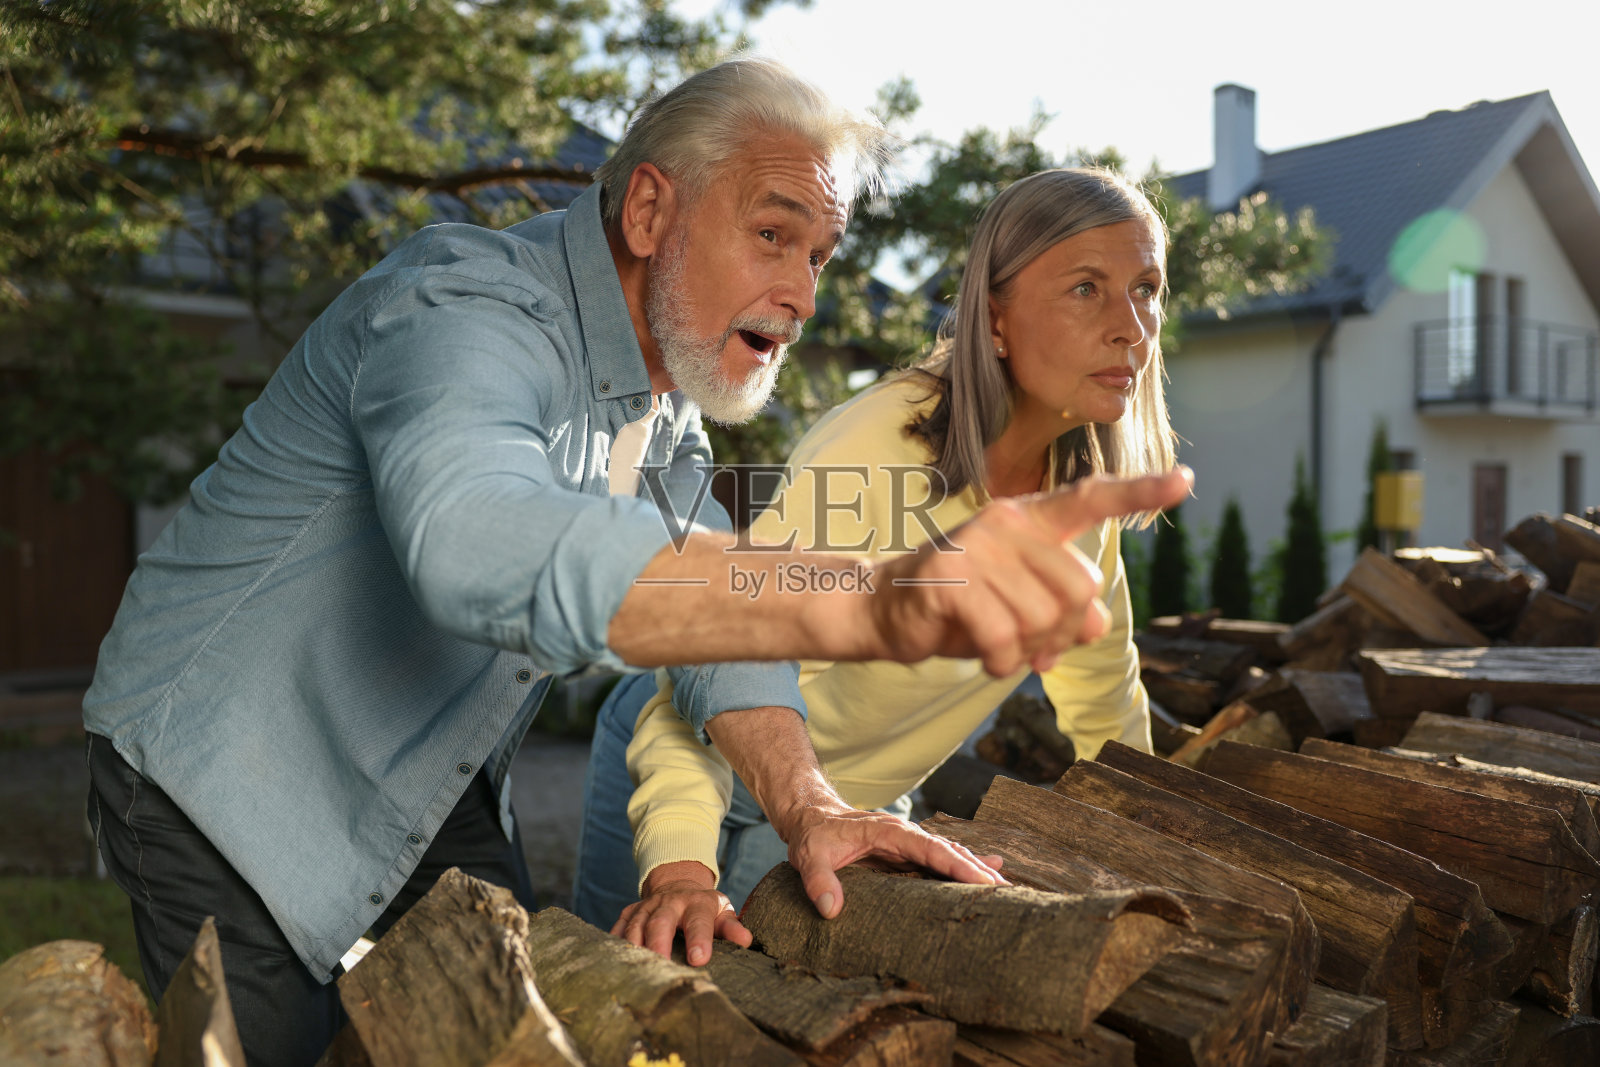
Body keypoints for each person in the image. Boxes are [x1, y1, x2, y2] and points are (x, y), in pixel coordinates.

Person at [83, 55, 1189, 1065]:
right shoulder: (464, 304)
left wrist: (808, 805)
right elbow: (472, 536)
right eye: (772, 235)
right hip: (222, 767)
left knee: (508, 1035)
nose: (803, 293)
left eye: (819, 254)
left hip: (425, 780)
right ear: (653, 208)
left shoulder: (668, 428)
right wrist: (872, 595)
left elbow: (722, 643)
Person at [572, 166, 1179, 965]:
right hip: (695, 767)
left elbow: (1101, 695)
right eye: (1086, 289)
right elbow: (705, 664)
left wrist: (1164, 844)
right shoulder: (873, 456)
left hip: (851, 801)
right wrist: (682, 868)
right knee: (629, 1016)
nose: (1132, 327)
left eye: (1146, 289)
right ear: (994, 318)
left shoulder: (1077, 490)